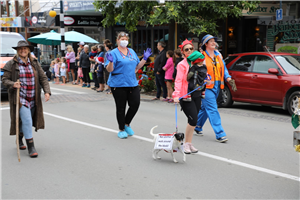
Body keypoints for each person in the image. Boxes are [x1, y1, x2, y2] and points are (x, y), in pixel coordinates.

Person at [2, 40, 51, 158]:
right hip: (20, 97)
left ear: (28, 50)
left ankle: (19, 138)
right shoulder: (11, 64)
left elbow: (43, 77)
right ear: (17, 51)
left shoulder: (34, 62)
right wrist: (13, 84)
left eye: (25, 49)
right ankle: (31, 147)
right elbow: (4, 80)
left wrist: (47, 91)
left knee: (24, 121)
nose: (23, 51)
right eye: (20, 49)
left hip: (33, 97)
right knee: (27, 120)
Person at [105, 32, 152, 139]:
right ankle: (121, 129)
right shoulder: (113, 53)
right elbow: (109, 70)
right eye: (122, 38)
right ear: (117, 40)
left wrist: (144, 59)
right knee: (121, 107)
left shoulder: (131, 52)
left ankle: (127, 124)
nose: (124, 40)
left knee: (135, 104)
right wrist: (111, 62)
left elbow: (136, 67)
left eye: (126, 39)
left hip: (132, 83)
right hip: (118, 84)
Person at [195, 34, 231, 143]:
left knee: (206, 108)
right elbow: (196, 70)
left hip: (217, 86)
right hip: (205, 87)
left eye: (214, 41)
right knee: (212, 109)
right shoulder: (201, 56)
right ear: (205, 44)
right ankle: (220, 133)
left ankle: (197, 125)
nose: (214, 43)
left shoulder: (218, 55)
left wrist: (228, 77)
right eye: (211, 41)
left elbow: (223, 67)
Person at [173, 39, 203, 154]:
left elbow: (203, 75)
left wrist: (207, 80)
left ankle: (189, 143)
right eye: (187, 49)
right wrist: (176, 95)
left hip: (197, 94)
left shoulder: (198, 62)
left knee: (193, 121)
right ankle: (185, 144)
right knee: (193, 120)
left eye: (191, 49)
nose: (189, 51)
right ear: (183, 52)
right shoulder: (181, 65)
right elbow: (178, 80)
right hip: (185, 96)